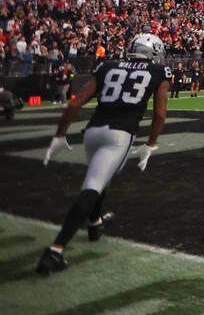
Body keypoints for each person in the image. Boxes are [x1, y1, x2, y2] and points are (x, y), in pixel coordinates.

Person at [36, 33, 171, 275]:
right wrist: (151, 143)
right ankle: (54, 251)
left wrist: (59, 135)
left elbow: (75, 103)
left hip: (93, 131)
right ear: (151, 53)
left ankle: (95, 223)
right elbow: (160, 113)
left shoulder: (107, 65)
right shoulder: (159, 72)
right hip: (119, 135)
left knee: (100, 177)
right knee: (93, 186)